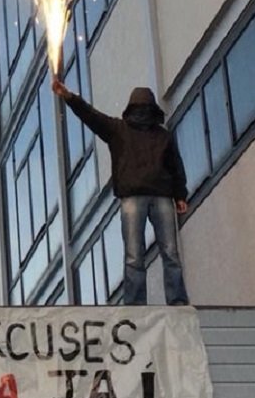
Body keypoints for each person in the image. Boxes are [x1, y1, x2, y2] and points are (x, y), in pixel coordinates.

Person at [51, 78, 191, 305]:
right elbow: (176, 166)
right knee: (169, 253)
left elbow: (91, 117)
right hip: (160, 196)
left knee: (135, 255)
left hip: (136, 197)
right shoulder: (156, 134)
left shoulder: (120, 129)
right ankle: (176, 301)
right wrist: (180, 195)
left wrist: (69, 97)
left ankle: (136, 304)